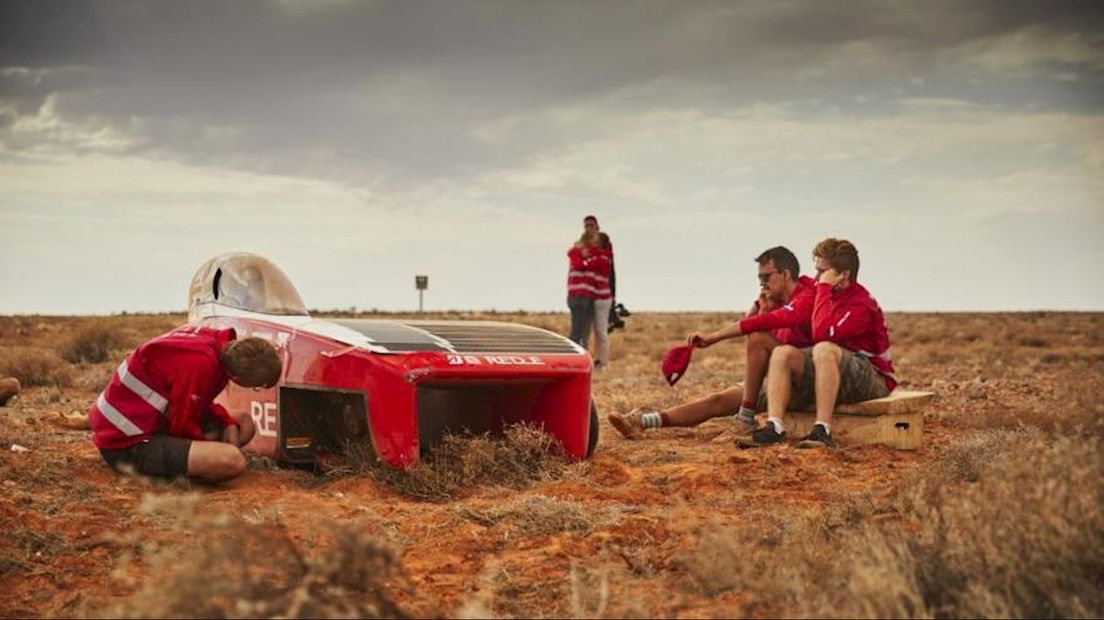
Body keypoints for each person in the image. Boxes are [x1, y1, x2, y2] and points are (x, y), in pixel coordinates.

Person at [608, 246, 816, 439]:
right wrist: (760, 306)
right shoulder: (776, 302)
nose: (762, 283)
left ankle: (745, 417)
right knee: (717, 400)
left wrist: (714, 337)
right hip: (780, 379)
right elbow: (753, 322)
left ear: (786, 274)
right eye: (759, 278)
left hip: (804, 375)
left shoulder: (806, 297)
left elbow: (759, 328)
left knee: (758, 337)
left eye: (766, 276)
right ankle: (643, 421)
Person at [739, 238, 896, 449]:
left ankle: (822, 429)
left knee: (824, 348)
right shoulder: (824, 293)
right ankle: (774, 427)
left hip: (873, 379)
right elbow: (762, 317)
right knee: (782, 353)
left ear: (843, 275)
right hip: (835, 374)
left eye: (822, 272)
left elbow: (821, 335)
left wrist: (823, 288)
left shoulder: (861, 304)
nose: (816, 277)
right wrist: (760, 303)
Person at [89, 324, 282, 481]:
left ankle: (198, 460)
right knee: (232, 460)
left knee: (243, 422)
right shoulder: (200, 365)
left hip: (146, 416)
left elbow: (195, 404)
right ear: (237, 377)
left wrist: (228, 423)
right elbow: (182, 425)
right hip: (127, 443)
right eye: (255, 386)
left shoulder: (215, 344)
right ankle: (195, 470)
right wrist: (213, 448)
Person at [567, 230, 599, 347]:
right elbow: (580, 266)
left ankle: (582, 354)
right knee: (577, 330)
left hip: (589, 294)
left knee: (585, 331)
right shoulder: (576, 254)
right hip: (578, 294)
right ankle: (573, 357)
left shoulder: (593, 256)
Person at [589, 232, 614, 370]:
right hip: (599, 297)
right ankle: (599, 359)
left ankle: (603, 361)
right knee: (598, 330)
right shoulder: (604, 257)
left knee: (601, 330)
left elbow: (586, 265)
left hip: (601, 298)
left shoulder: (602, 258)